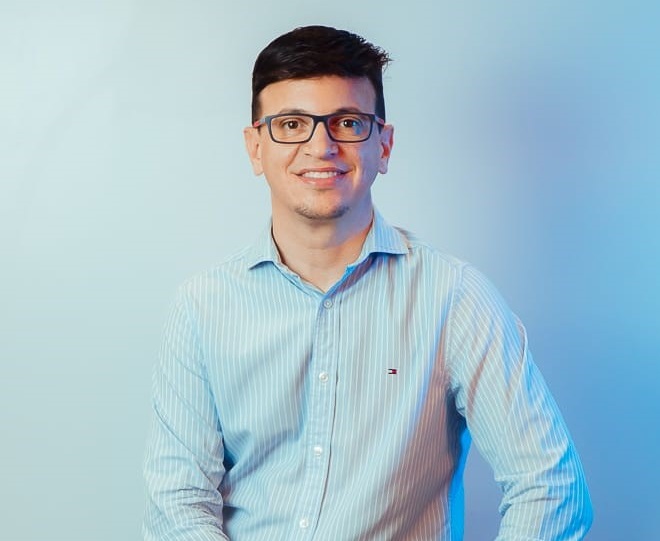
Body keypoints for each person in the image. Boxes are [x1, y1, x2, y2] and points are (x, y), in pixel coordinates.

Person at [143, 25, 593, 541]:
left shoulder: (454, 298)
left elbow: (549, 486)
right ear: (255, 147)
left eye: (348, 123)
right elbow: (178, 502)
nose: (321, 147)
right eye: (291, 124)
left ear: (384, 145)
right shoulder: (203, 306)